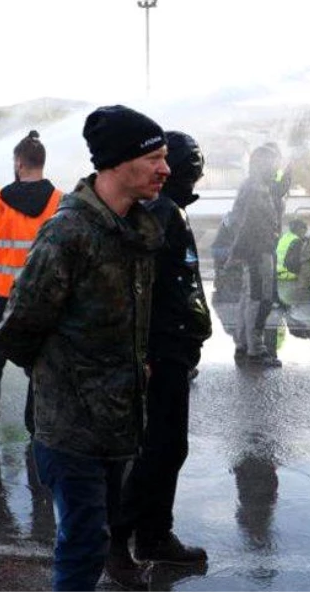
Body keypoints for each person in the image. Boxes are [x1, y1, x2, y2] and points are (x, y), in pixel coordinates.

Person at [0, 105, 167, 592]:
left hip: (118, 419)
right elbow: (19, 327)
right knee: (84, 541)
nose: (165, 169)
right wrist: (66, 377)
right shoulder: (68, 233)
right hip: (71, 427)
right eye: (154, 157)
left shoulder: (136, 231)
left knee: (100, 531)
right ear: (116, 163)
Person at [111, 130, 212, 573]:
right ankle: (119, 539)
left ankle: (154, 533)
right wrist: (149, 352)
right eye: (192, 167)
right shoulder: (159, 214)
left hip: (174, 349)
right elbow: (140, 290)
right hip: (161, 352)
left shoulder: (170, 212)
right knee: (158, 448)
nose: (194, 176)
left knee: (169, 448)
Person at [0, 130, 62, 439]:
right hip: (43, 300)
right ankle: (34, 424)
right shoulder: (61, 201)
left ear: (19, 163)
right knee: (39, 363)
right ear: (42, 163)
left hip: (2, 297)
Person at [225, 147, 281, 367]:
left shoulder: (252, 185)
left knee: (249, 298)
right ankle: (255, 350)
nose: (276, 167)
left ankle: (243, 343)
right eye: (274, 163)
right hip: (258, 251)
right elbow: (248, 223)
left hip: (254, 250)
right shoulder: (257, 189)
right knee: (260, 299)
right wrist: (239, 251)